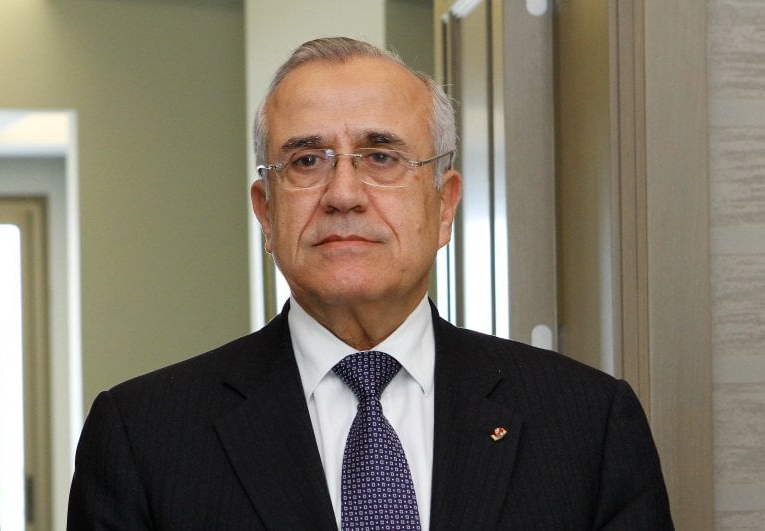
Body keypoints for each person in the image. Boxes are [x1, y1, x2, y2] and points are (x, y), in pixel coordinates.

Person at [68, 37, 673, 530]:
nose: (343, 195)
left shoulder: (588, 424)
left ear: (444, 205)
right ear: (266, 212)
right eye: (307, 161)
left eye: (381, 157)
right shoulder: (142, 437)